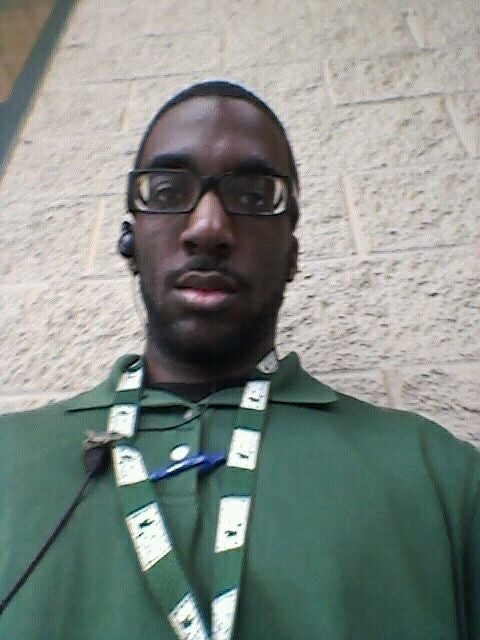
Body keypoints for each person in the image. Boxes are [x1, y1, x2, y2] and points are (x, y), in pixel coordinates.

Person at [0, 81, 479, 640]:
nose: (208, 227)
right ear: (131, 242)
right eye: (167, 189)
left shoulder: (441, 478)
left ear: (292, 254)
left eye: (253, 196)